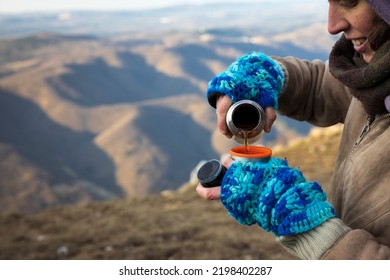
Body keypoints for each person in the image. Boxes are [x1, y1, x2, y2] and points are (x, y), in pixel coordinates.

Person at [196, 0, 390, 259]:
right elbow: (324, 87)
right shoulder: (377, 72)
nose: (332, 25)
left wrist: (302, 221)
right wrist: (265, 76)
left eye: (349, 2)